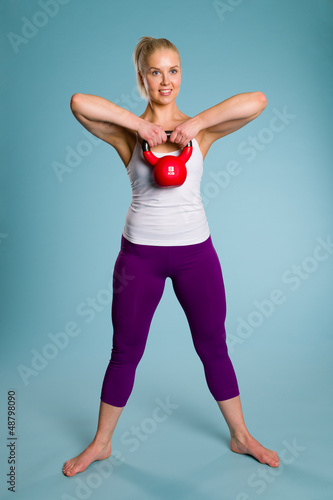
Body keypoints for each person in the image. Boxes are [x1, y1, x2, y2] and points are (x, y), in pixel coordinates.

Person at [62, 36, 280, 477]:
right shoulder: (127, 133)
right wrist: (139, 125)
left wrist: (196, 123)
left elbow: (257, 101)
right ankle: (101, 444)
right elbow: (79, 102)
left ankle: (240, 435)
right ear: (143, 78)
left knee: (213, 346)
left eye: (174, 70)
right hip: (139, 258)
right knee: (124, 351)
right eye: (156, 71)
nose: (166, 80)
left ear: (182, 74)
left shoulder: (200, 131)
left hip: (195, 255)